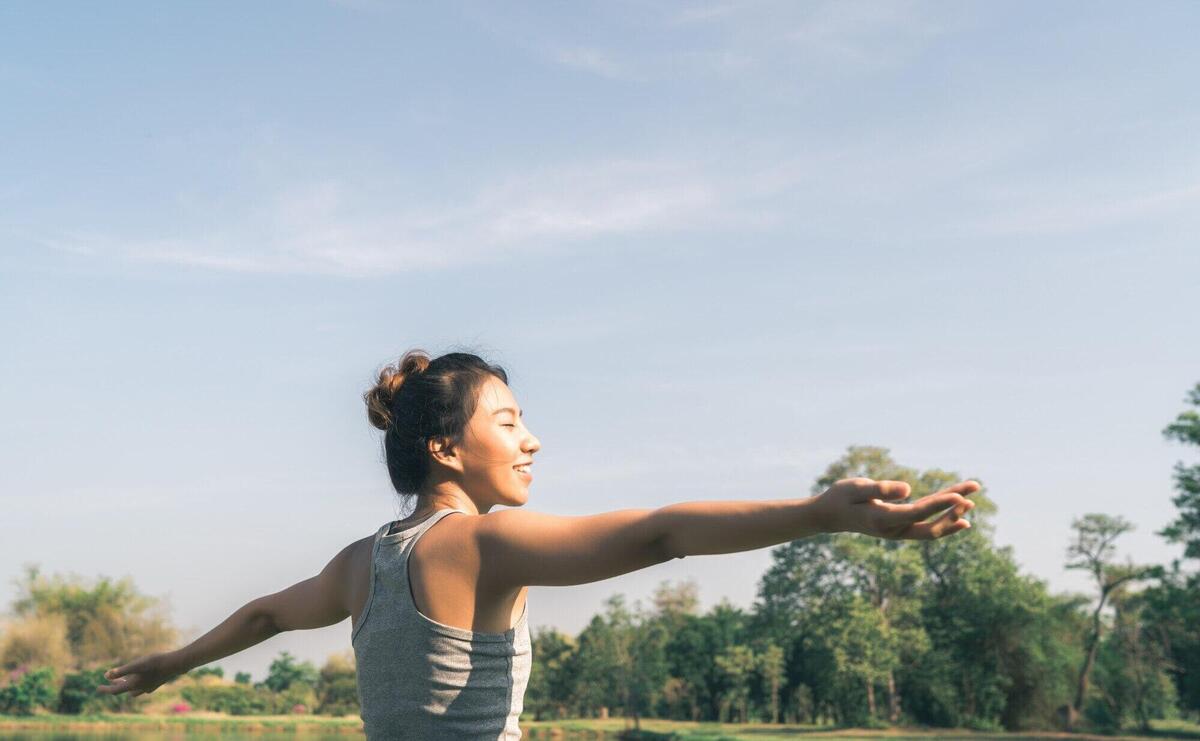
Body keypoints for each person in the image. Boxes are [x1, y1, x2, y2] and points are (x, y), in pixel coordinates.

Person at [97, 349, 978, 739]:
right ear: (446, 449)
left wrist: (172, 663)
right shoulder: (484, 543)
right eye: (510, 421)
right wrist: (819, 513)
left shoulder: (360, 563)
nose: (533, 440)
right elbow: (664, 533)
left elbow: (260, 615)